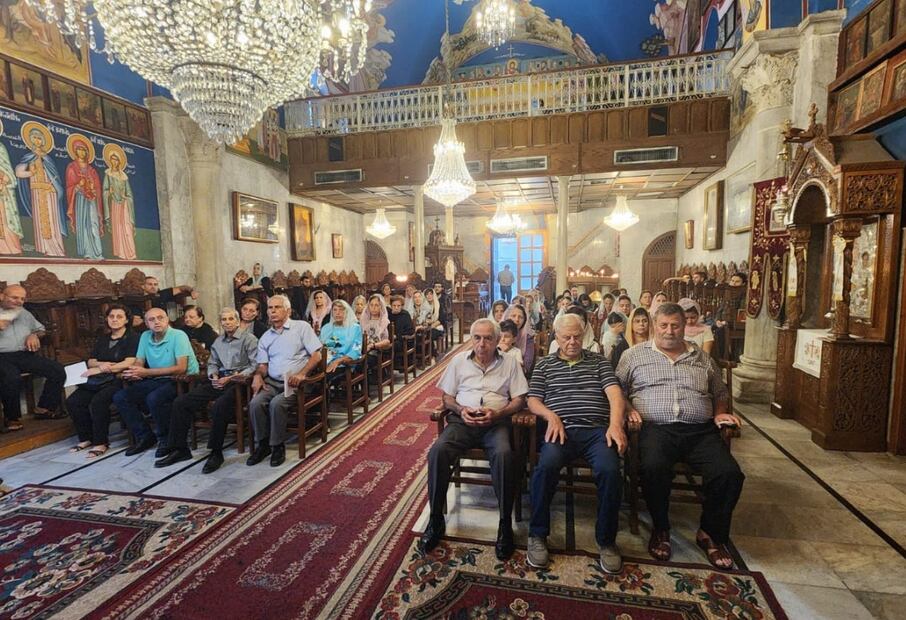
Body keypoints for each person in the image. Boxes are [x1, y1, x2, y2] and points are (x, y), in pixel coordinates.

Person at [616, 303, 744, 570]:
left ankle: (710, 532)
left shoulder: (703, 359)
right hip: (655, 428)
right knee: (652, 467)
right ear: (654, 325)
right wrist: (627, 409)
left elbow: (720, 392)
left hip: (699, 430)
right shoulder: (633, 355)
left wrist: (721, 414)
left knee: (729, 473)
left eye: (675, 325)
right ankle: (661, 528)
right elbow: (618, 389)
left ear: (684, 327)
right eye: (664, 325)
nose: (669, 331)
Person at [420, 318, 529, 561]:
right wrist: (461, 410)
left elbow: (519, 400)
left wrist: (498, 413)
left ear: (497, 340)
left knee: (504, 455)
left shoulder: (510, 363)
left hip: (496, 423)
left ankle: (504, 525)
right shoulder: (459, 361)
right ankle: (436, 520)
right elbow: (447, 397)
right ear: (471, 339)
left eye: (488, 338)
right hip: (463, 422)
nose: (482, 343)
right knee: (437, 452)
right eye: (477, 338)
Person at [527, 312, 627, 573]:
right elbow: (533, 400)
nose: (572, 341)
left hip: (596, 431)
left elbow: (615, 395)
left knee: (610, 470)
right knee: (545, 468)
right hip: (561, 430)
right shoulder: (545, 364)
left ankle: (607, 541)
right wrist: (551, 416)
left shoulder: (599, 362)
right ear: (556, 337)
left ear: (584, 336)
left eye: (577, 336)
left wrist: (615, 425)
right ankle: (537, 535)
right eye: (566, 337)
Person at [155, 307, 258, 472]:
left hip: (239, 383)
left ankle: (216, 452)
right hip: (219, 380)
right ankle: (179, 449)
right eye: (224, 319)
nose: (227, 322)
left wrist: (231, 378)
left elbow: (255, 365)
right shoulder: (218, 341)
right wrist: (214, 376)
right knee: (181, 402)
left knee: (219, 406)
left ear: (238, 321)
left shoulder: (249, 339)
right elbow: (212, 363)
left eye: (231, 319)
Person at [247, 294, 323, 467]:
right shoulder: (266, 336)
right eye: (270, 308)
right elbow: (263, 365)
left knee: (277, 404)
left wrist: (302, 374)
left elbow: (317, 355)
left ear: (287, 310)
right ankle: (263, 444)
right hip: (273, 381)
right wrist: (258, 376)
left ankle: (277, 446)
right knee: (255, 403)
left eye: (277, 307)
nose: (273, 311)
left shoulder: (301, 327)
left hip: (298, 384)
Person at [114, 307, 199, 456]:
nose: (157, 322)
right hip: (157, 378)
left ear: (167, 320)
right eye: (152, 320)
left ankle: (166, 439)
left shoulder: (178, 335)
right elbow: (140, 361)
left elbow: (181, 368)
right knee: (121, 396)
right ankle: (145, 436)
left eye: (160, 318)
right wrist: (135, 372)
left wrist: (146, 372)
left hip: (182, 381)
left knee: (154, 398)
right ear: (146, 324)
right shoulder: (145, 336)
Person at [66, 304, 138, 457]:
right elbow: (91, 361)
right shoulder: (103, 339)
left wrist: (101, 369)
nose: (115, 320)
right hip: (98, 380)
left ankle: (100, 442)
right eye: (111, 316)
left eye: (119, 317)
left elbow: (129, 362)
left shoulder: (133, 338)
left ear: (126, 320)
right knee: (73, 400)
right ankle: (86, 438)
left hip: (119, 380)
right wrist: (101, 364)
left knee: (98, 402)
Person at [0, 284, 66, 429]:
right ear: (2, 296)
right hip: (2, 356)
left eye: (22, 299)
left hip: (24, 355)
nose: (19, 301)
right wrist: (6, 317)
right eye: (14, 297)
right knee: (11, 377)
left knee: (57, 370)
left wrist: (33, 334)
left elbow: (41, 330)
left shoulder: (24, 313)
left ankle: (44, 408)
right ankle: (12, 418)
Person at [319, 300, 363, 378]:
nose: (337, 313)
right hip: (323, 363)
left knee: (324, 379)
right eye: (335, 310)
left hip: (345, 365)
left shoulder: (355, 328)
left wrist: (338, 361)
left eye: (341, 309)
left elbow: (356, 351)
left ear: (346, 311)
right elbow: (319, 347)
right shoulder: (326, 328)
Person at [131, 276, 197, 327]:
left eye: (155, 284)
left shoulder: (161, 294)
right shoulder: (137, 299)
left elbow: (182, 288)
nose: (153, 286)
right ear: (143, 286)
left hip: (165, 324)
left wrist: (192, 291)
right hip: (147, 326)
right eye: (150, 284)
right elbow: (136, 322)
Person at [502, 303, 535, 371]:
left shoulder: (528, 337)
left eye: (521, 317)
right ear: (507, 317)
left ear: (525, 320)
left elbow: (527, 364)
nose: (517, 319)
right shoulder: (498, 333)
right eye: (513, 316)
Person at [388, 295, 415, 367]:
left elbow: (410, 331)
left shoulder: (405, 314)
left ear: (402, 306)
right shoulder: (388, 314)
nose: (396, 307)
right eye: (394, 305)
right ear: (391, 306)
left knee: (392, 346)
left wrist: (397, 336)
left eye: (398, 306)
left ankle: (391, 367)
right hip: (389, 339)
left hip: (403, 340)